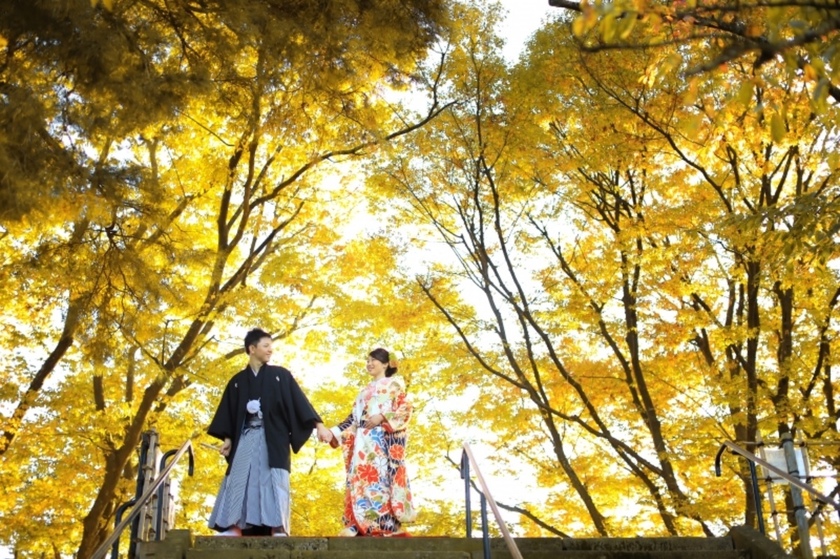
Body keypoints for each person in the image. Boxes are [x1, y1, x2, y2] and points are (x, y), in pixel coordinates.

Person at [207, 328, 333, 537]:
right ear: (252, 348)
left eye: (271, 346)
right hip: (246, 436)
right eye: (265, 346)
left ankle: (278, 527)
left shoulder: (280, 376)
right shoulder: (237, 381)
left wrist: (318, 425)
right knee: (239, 478)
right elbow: (229, 412)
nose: (270, 350)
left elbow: (299, 401)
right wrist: (228, 439)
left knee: (273, 479)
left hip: (273, 438)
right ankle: (234, 526)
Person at [325, 347, 416, 537]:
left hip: (380, 440)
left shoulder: (393, 385)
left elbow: (405, 408)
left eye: (374, 360)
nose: (369, 363)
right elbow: (352, 419)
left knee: (379, 480)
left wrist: (382, 417)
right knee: (358, 479)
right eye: (367, 360)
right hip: (361, 441)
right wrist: (331, 432)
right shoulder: (364, 391)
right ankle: (358, 524)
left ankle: (384, 524)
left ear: (385, 364)